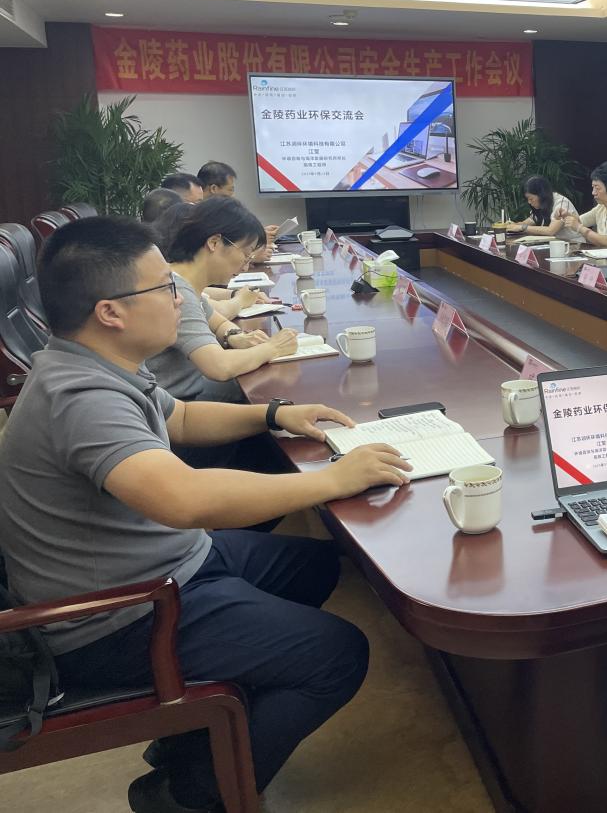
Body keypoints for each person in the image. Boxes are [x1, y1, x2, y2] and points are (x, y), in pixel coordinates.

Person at [0, 216, 412, 813]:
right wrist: (331, 480)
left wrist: (275, 414)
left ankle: (199, 732)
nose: (180, 298)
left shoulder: (96, 362)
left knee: (319, 566)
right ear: (110, 312)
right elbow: (185, 499)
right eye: (163, 288)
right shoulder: (80, 399)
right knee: (337, 655)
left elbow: (184, 418)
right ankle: (190, 793)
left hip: (169, 562)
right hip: (119, 614)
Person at [149, 198, 297, 405]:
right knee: (273, 393)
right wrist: (273, 348)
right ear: (214, 243)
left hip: (188, 387)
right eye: (246, 255)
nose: (245, 267)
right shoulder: (176, 291)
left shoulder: (181, 280)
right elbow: (219, 367)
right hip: (175, 402)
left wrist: (234, 336)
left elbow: (217, 322)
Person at [559, 162, 607, 247]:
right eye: (593, 187)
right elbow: (580, 221)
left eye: (597, 188)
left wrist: (579, 228)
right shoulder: (601, 207)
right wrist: (565, 215)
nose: (593, 192)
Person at [511, 176, 584, 242]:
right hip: (554, 244)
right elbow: (530, 221)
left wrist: (522, 227)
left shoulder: (561, 203)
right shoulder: (542, 204)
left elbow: (551, 231)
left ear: (541, 195)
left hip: (574, 244)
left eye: (531, 199)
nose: (529, 202)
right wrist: (512, 225)